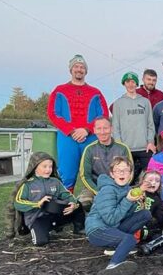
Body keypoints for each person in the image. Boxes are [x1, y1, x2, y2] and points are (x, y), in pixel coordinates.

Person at [47, 54, 109, 191]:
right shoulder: (59, 90)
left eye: (82, 67)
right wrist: (71, 130)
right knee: (67, 174)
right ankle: (66, 207)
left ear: (86, 71)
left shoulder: (95, 92)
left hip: (90, 137)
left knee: (97, 172)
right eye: (76, 66)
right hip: (68, 138)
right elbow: (53, 113)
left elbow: (104, 114)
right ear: (71, 70)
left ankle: (100, 204)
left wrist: (87, 129)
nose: (79, 69)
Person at [85, 157, 152, 275]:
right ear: (112, 174)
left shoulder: (127, 189)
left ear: (131, 174)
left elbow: (124, 215)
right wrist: (128, 200)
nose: (122, 173)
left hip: (112, 227)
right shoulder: (107, 190)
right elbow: (111, 219)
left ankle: (116, 246)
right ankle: (112, 266)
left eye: (126, 170)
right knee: (130, 240)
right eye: (118, 170)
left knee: (145, 214)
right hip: (98, 230)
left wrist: (135, 202)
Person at [11, 152, 85, 245]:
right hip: (37, 218)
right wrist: (38, 203)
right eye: (44, 166)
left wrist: (73, 204)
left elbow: (67, 195)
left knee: (78, 204)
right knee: (41, 242)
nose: (48, 170)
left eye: (50, 166)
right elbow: (17, 203)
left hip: (55, 214)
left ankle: (79, 228)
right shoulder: (27, 185)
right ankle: (41, 230)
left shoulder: (55, 182)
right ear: (35, 167)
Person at [78, 116, 132, 210]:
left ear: (111, 129)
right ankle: (85, 223)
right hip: (95, 186)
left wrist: (115, 189)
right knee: (84, 202)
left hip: (118, 186)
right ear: (94, 130)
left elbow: (129, 172)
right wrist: (98, 191)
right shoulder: (89, 149)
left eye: (105, 128)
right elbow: (85, 176)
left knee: (130, 202)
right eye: (99, 128)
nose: (102, 132)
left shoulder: (123, 148)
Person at [111, 71, 156, 182]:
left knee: (148, 178)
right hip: (126, 148)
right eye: (127, 82)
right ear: (124, 84)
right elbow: (115, 127)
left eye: (133, 82)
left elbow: (150, 124)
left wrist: (150, 141)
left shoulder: (145, 102)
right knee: (127, 178)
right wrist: (119, 145)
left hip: (144, 147)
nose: (130, 84)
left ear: (136, 84)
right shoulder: (118, 103)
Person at [133, 170, 163, 241]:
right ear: (142, 181)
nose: (154, 182)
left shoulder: (157, 199)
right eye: (150, 180)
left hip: (144, 227)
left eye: (157, 181)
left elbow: (160, 218)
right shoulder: (133, 190)